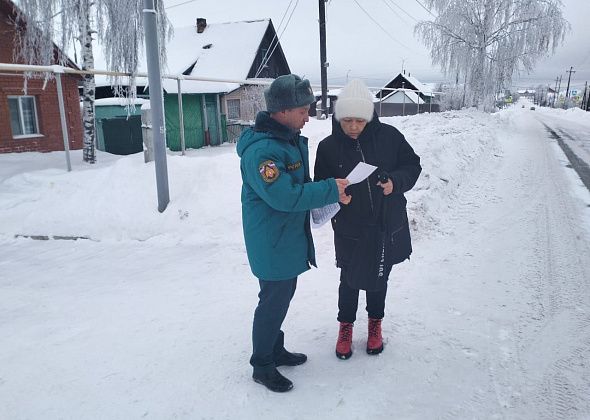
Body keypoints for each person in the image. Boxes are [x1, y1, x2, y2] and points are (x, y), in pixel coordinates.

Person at [236, 74, 350, 392]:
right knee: (273, 300)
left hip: (284, 237)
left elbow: (296, 188)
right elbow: (285, 196)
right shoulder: (264, 153)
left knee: (281, 297)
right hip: (272, 241)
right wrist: (329, 190)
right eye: (303, 110)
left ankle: (274, 348)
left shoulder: (284, 141)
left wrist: (329, 193)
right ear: (283, 111)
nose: (307, 116)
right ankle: (262, 364)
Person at [314, 79, 421, 360]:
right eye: (347, 120)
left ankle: (375, 324)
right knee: (348, 279)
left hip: (386, 222)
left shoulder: (391, 137)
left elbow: (413, 166)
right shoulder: (327, 147)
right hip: (350, 227)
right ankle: (345, 328)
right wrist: (336, 196)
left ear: (369, 117)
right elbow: (320, 184)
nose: (352, 127)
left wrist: (394, 183)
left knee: (379, 275)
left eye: (359, 120)